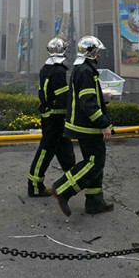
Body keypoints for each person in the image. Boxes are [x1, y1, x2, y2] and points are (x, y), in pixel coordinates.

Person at [52, 35, 115, 217]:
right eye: (97, 52)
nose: (99, 56)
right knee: (94, 163)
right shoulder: (85, 71)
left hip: (84, 126)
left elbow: (87, 98)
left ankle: (95, 202)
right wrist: (103, 124)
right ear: (91, 52)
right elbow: (87, 102)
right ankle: (62, 188)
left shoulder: (81, 69)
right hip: (88, 128)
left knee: (95, 162)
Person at [27, 37, 76, 197]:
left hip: (52, 116)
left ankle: (74, 181)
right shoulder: (59, 70)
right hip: (55, 117)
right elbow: (62, 96)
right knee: (46, 151)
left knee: (65, 149)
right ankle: (35, 186)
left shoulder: (45, 68)